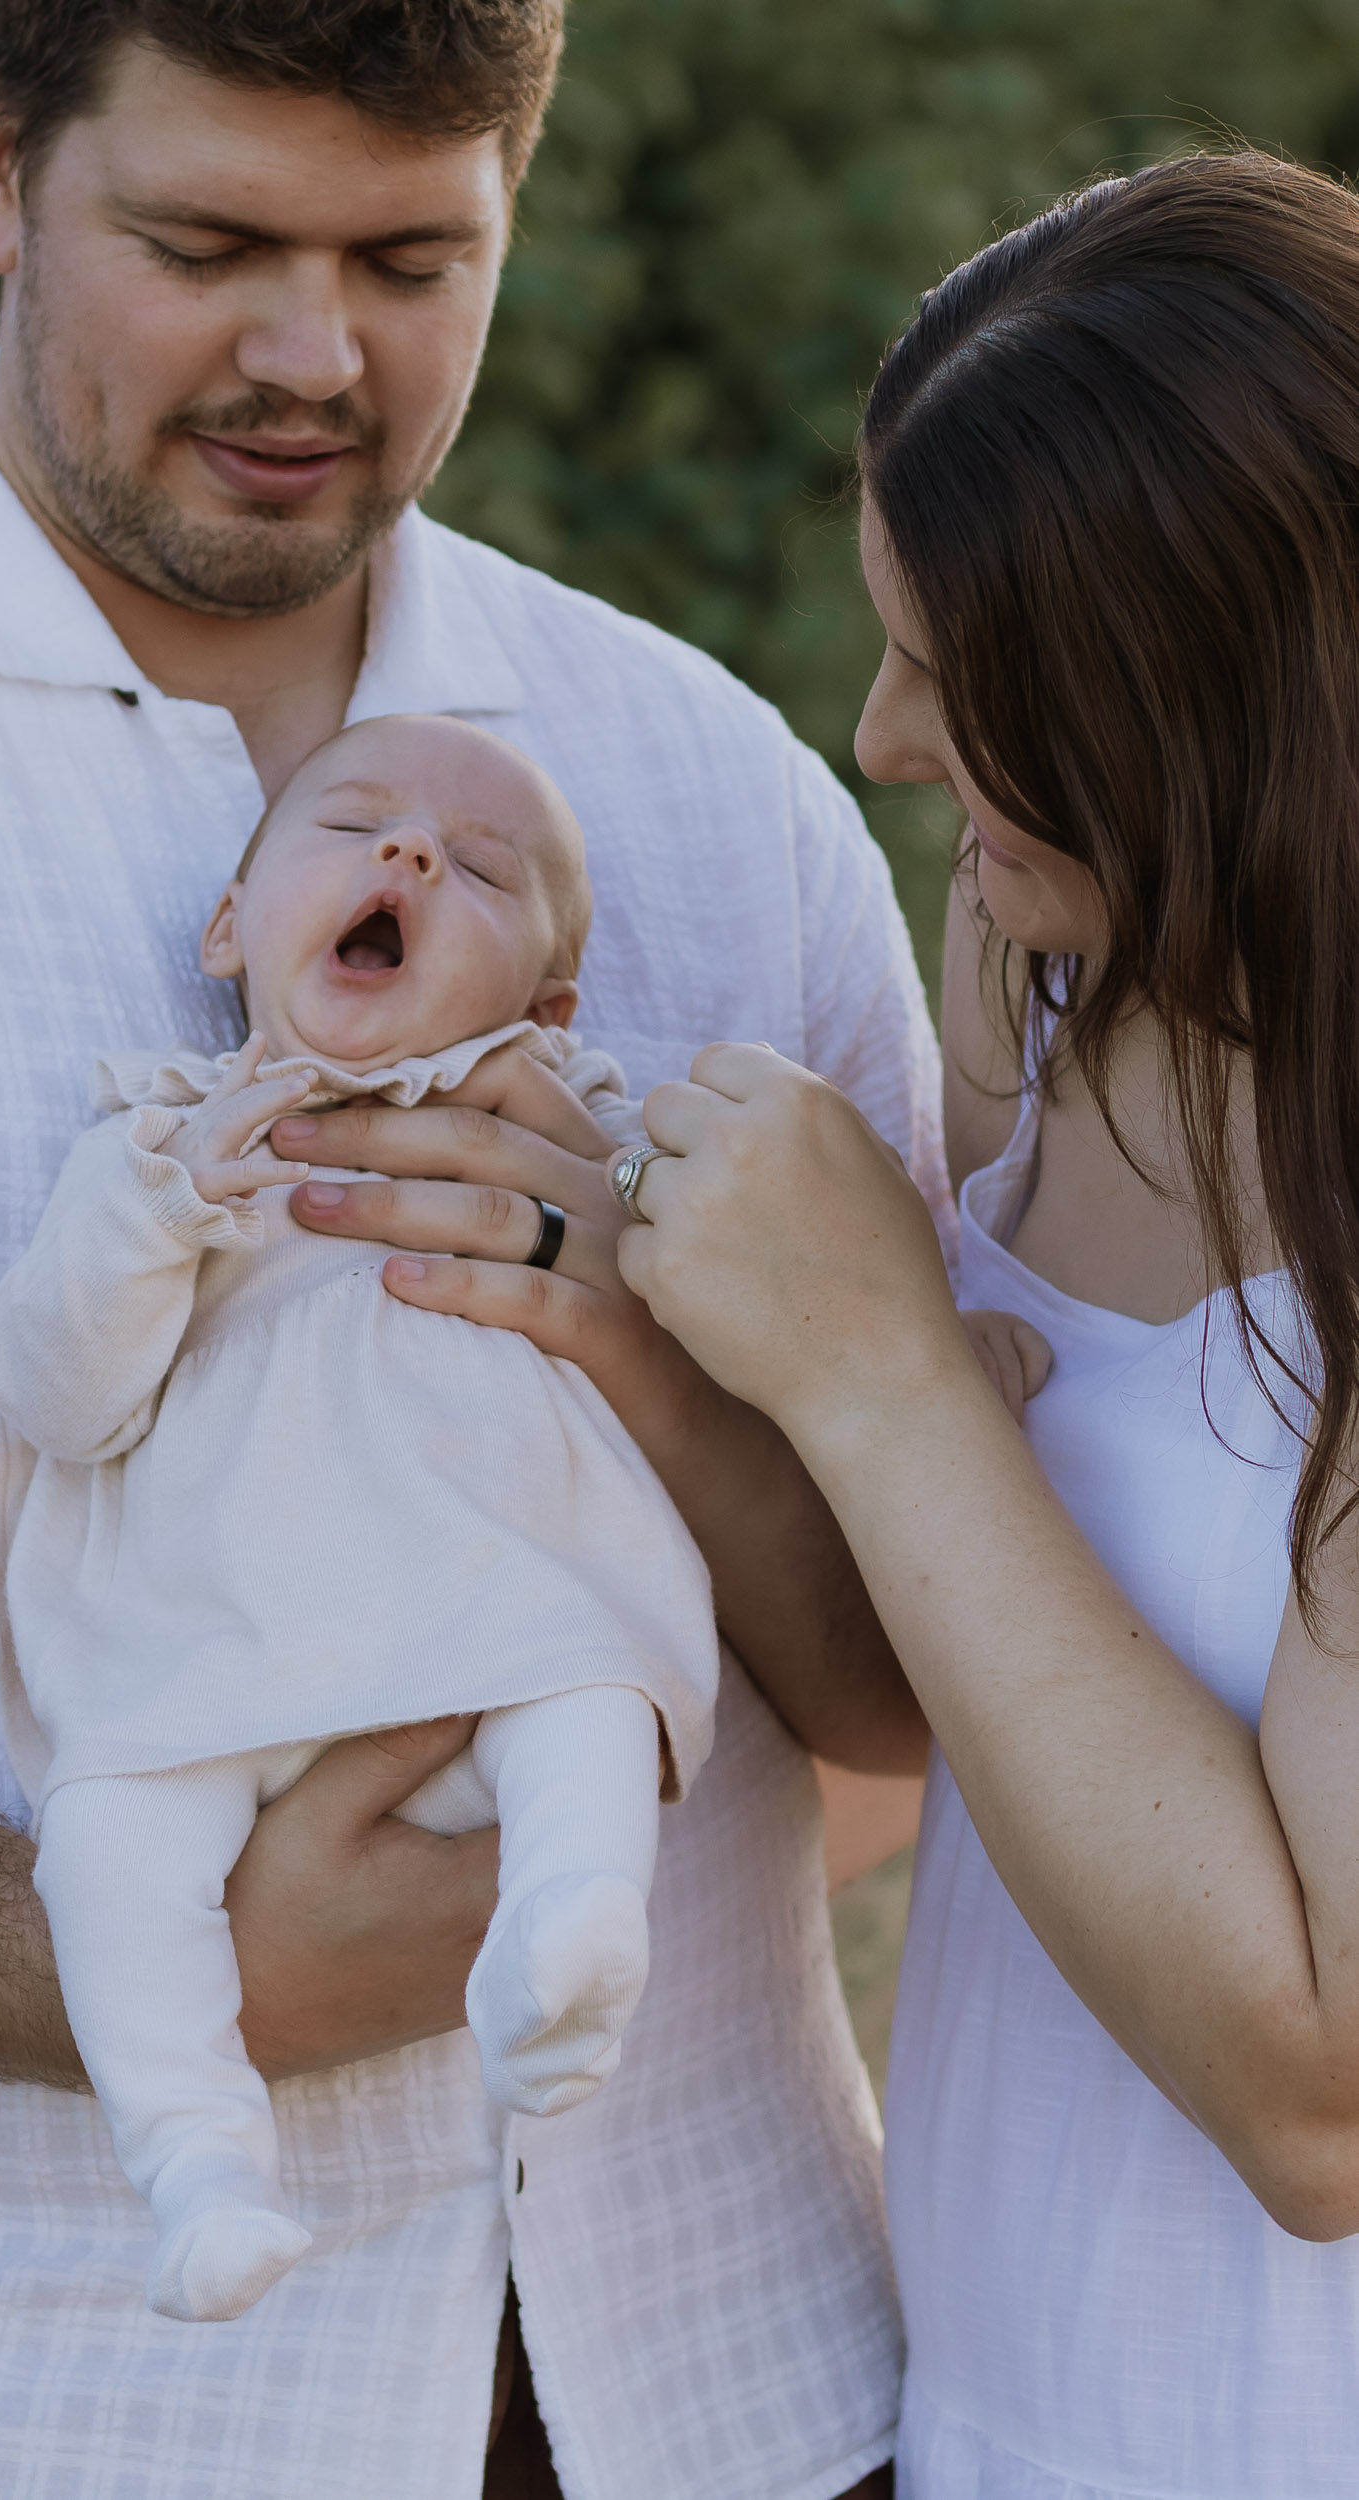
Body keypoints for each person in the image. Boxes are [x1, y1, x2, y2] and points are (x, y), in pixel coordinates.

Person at [0, 2, 941, 2491]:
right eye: (205, 242)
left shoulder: (712, 789)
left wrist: (664, 1378)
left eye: (410, 257)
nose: (310, 354)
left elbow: (924, 1696)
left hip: (738, 2390)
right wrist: (145, 1961)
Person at [615, 150, 1359, 2500]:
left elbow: (1320, 2087)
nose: (880, 733)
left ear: (1234, 696)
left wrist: (874, 1366)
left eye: (971, 679)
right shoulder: (1045, 977)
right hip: (989, 2423)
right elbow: (946, 1692)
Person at [0, 713, 720, 2321]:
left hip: (489, 1571)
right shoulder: (159, 1140)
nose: (409, 855)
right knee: (107, 1845)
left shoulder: (560, 1120)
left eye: (479, 868)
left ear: (550, 1000)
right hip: (212, 1629)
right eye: (355, 826)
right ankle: (197, 2168)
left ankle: (575, 1916)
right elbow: (57, 1394)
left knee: (585, 1681)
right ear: (230, 926)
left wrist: (639, 1185)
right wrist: (165, 1206)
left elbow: (721, 1249)